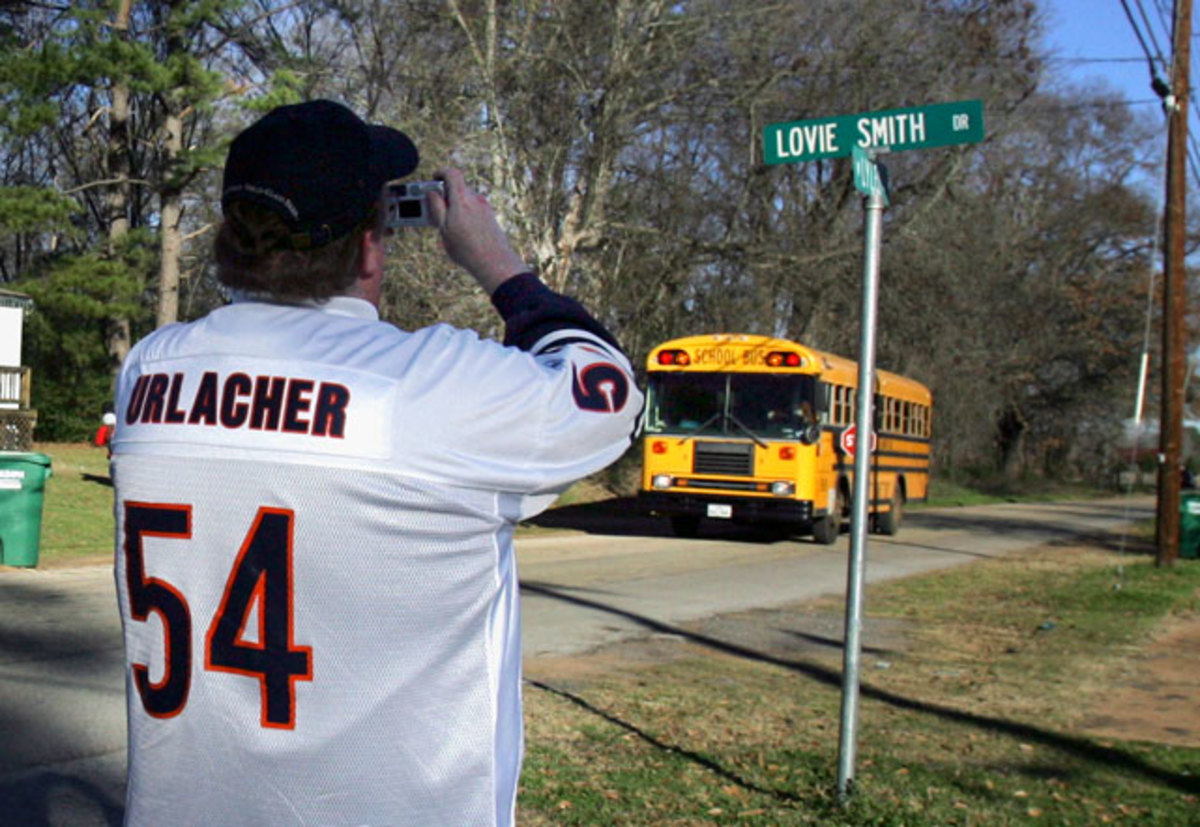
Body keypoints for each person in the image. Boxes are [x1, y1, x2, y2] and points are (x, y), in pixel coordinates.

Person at [111, 99, 642, 826]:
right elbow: (607, 392)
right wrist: (498, 263)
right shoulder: (424, 390)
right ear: (368, 246)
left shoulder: (147, 373)